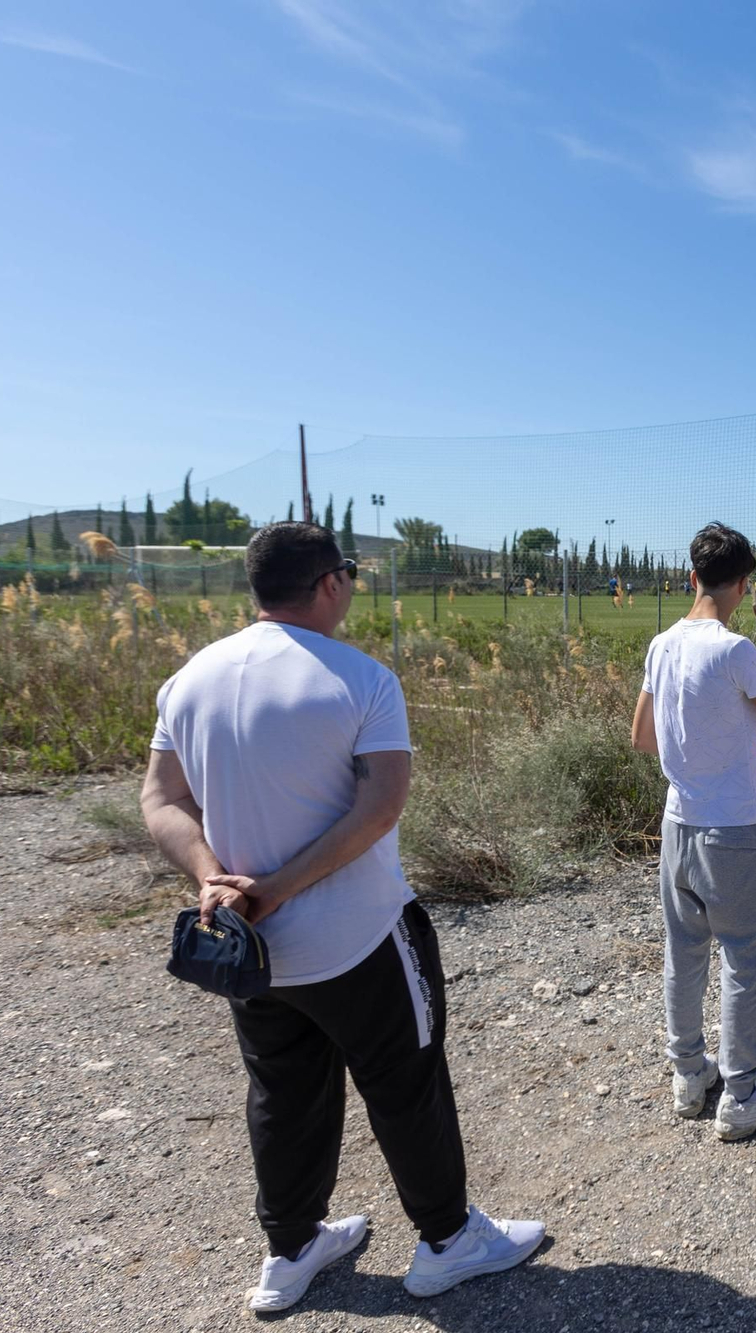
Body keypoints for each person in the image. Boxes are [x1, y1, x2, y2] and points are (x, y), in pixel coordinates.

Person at [140, 522, 543, 1313]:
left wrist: (211, 880)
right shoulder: (361, 678)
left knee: (281, 1089)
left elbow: (160, 799)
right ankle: (447, 1239)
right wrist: (281, 884)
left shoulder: (189, 680)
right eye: (349, 575)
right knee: (406, 1077)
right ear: (328, 582)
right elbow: (380, 806)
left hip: (250, 949)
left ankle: (289, 1249)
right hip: (356, 935)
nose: (352, 588)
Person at [630, 522, 756, 1142]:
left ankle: (688, 1074)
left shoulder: (661, 644)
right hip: (733, 828)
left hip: (678, 825)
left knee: (685, 954)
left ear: (691, 578)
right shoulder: (736, 650)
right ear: (741, 585)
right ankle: (742, 1091)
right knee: (745, 959)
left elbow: (643, 737)